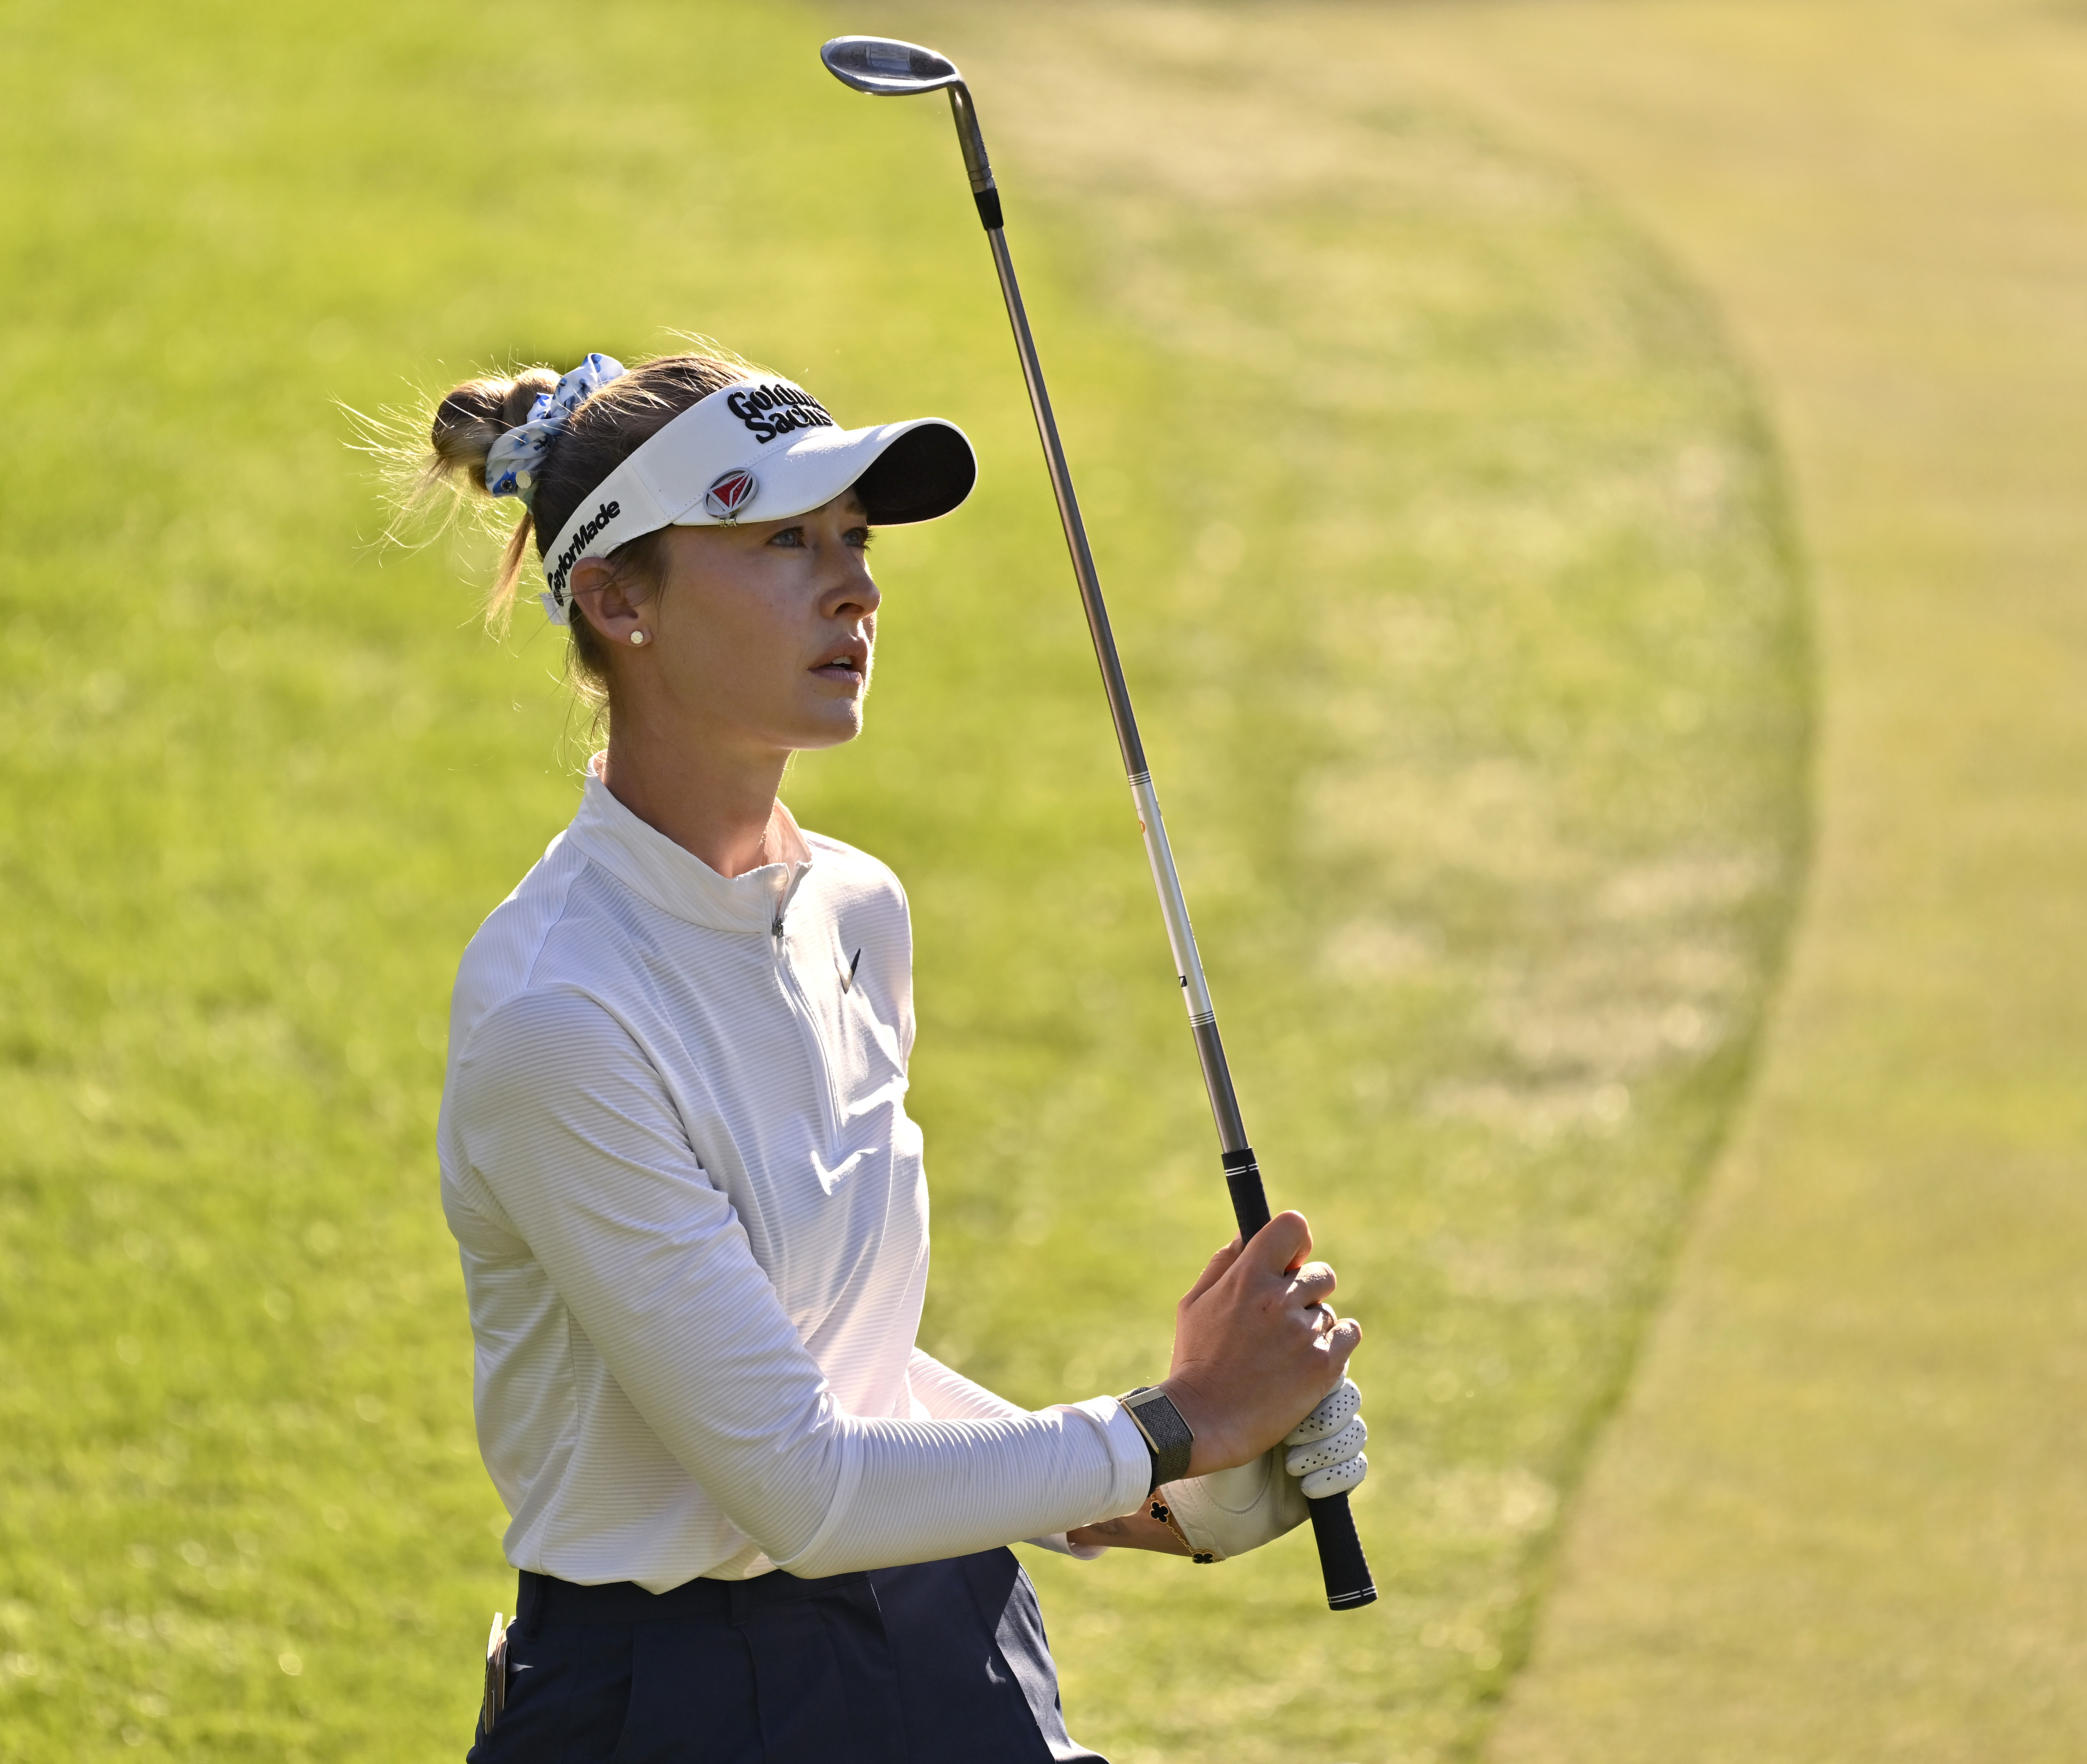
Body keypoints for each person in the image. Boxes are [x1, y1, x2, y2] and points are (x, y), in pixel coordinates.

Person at [415, 351, 1371, 1762]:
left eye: (853, 538)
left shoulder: (857, 909)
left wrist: (1182, 1488)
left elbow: (841, 1373)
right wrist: (1172, 1419)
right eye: (781, 542)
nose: (854, 588)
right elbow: (800, 1487)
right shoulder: (560, 1015)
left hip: (953, 1637)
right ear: (620, 601)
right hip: (674, 1702)